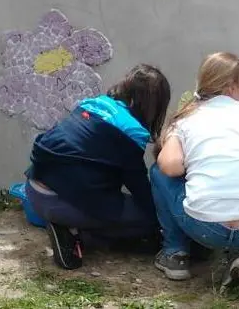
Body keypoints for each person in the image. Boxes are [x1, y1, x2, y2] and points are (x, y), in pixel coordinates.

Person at [151, 52, 239, 289]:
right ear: (231, 87)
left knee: (157, 172)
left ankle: (175, 254)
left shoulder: (188, 118)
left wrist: (196, 161)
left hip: (206, 228)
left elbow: (169, 167)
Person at [25, 64, 171, 270]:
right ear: (154, 104)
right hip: (63, 204)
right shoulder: (131, 130)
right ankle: (78, 234)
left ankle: (67, 225)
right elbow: (139, 188)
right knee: (148, 219)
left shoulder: (91, 105)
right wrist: (164, 220)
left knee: (112, 204)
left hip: (35, 190)